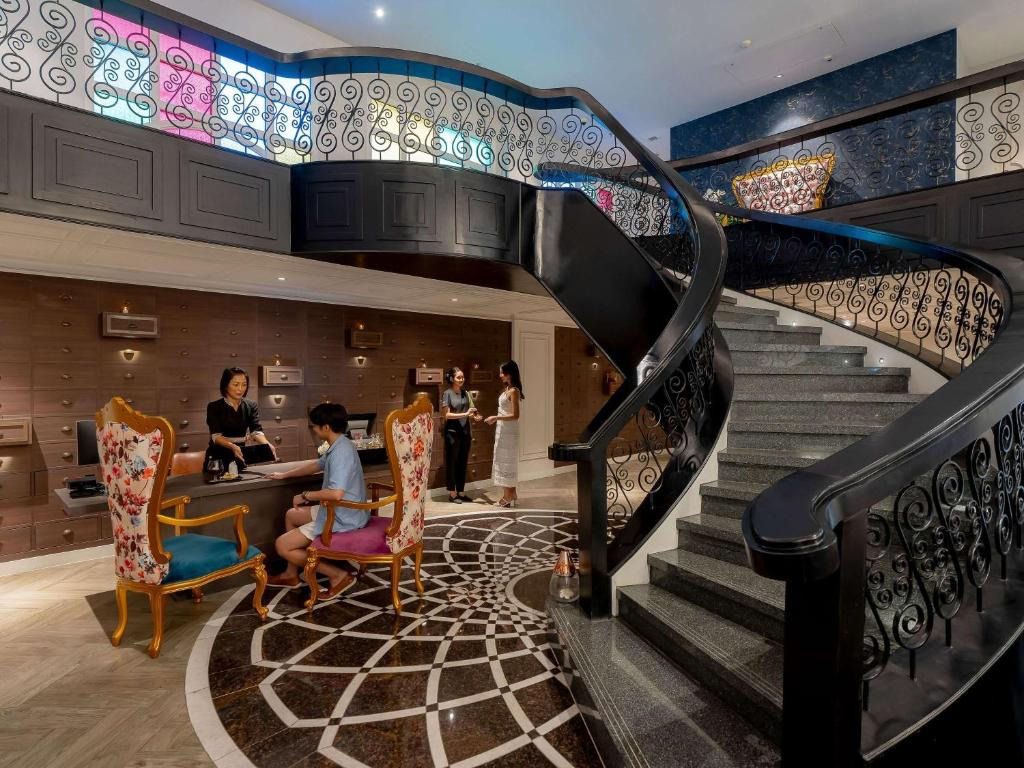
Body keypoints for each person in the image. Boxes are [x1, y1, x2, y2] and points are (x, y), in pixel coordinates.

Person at [264, 402, 367, 598]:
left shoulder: (341, 453)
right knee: (291, 515)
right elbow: (317, 465)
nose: (313, 429)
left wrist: (305, 495)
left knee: (282, 546)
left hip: (343, 516)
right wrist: (284, 475)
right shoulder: (341, 444)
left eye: (315, 426)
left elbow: (336, 493)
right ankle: (291, 575)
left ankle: (338, 575)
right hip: (341, 510)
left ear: (325, 427)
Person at [205, 367, 276, 470]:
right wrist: (232, 446)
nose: (240, 389)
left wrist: (267, 444)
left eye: (244, 384)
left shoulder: (251, 405)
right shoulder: (214, 407)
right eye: (236, 384)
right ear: (225, 385)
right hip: (217, 458)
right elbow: (216, 436)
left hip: (240, 455)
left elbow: (256, 431)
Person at [485, 360, 524, 508]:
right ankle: (512, 494)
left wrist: (496, 418)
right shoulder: (507, 389)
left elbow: (515, 415)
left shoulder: (514, 391)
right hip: (502, 430)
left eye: (502, 372)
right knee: (502, 461)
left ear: (509, 374)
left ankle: (508, 496)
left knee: (507, 462)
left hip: (509, 431)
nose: (500, 375)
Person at [441, 367, 481, 503]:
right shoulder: (447, 394)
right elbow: (446, 415)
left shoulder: (466, 393)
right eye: (458, 377)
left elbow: (472, 411)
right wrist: (465, 414)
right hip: (452, 433)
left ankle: (461, 492)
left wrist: (475, 416)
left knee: (463, 462)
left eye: (462, 377)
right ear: (452, 379)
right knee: (452, 462)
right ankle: (452, 494)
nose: (461, 379)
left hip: (465, 432)